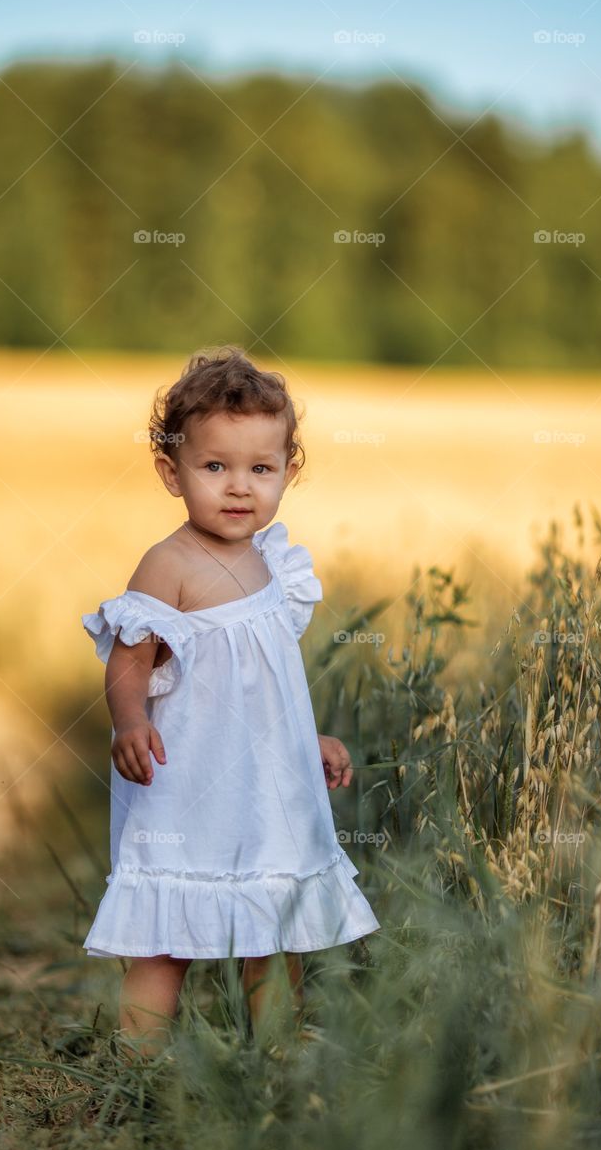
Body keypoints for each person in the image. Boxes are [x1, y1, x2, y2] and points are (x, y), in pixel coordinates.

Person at [81, 345, 380, 1057]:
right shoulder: (170, 565)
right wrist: (127, 721)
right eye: (214, 467)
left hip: (266, 785)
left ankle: (276, 1059)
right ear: (171, 472)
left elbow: (266, 680)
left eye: (260, 469)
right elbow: (131, 657)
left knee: (275, 924)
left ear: (288, 472)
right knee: (164, 937)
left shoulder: (275, 563)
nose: (238, 487)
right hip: (183, 779)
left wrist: (306, 743)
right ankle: (137, 1067)